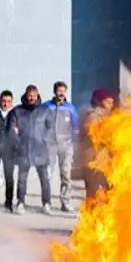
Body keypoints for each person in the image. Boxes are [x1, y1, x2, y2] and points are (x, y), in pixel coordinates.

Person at [9, 85, 53, 215]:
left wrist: (45, 140)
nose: (31, 98)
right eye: (29, 95)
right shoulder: (17, 111)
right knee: (22, 179)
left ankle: (46, 203)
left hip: (41, 150)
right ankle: (20, 202)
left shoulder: (45, 110)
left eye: (34, 95)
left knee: (44, 179)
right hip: (24, 150)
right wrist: (17, 142)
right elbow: (12, 128)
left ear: (38, 95)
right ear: (25, 95)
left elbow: (50, 128)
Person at [44, 81, 80, 213]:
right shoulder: (47, 106)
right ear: (55, 92)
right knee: (47, 175)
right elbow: (39, 123)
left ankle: (65, 202)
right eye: (59, 91)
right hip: (50, 146)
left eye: (63, 91)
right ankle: (46, 202)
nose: (61, 93)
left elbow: (76, 126)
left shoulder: (70, 108)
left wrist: (73, 143)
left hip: (66, 146)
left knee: (66, 175)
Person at [81, 88, 116, 200]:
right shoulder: (94, 116)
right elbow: (94, 136)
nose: (111, 105)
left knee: (105, 195)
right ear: (100, 102)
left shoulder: (108, 116)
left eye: (112, 102)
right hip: (94, 162)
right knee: (95, 195)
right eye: (108, 102)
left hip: (104, 161)